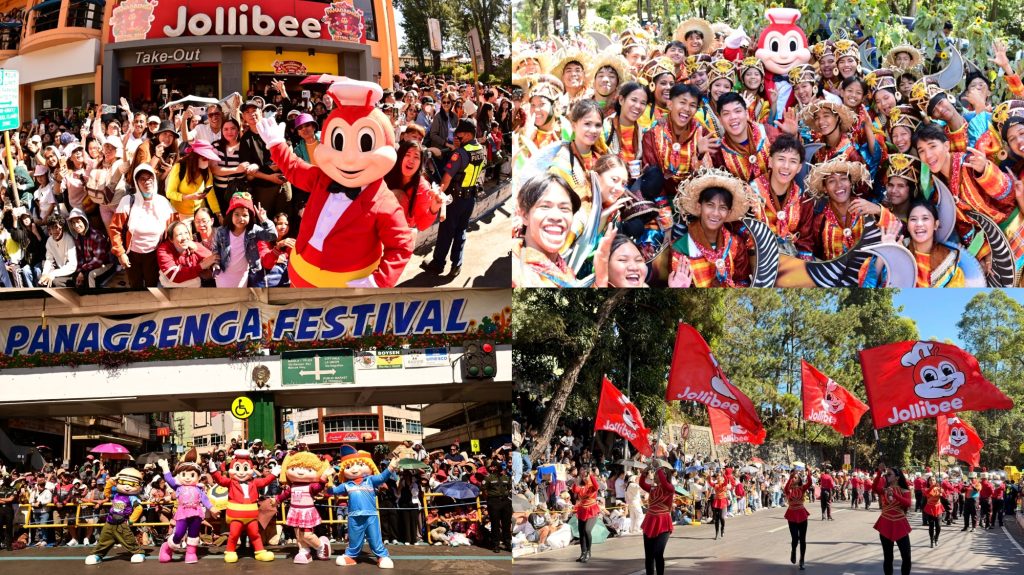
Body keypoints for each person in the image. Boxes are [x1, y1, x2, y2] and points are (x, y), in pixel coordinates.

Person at [420, 119, 486, 277]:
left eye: (459, 134)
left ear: (468, 135)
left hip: (455, 199)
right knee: (461, 231)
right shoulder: (479, 148)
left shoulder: (459, 154)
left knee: (446, 231)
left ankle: (438, 264)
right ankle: (457, 264)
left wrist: (438, 194)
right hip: (470, 198)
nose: (456, 136)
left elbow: (447, 178)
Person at [669, 167, 755, 287]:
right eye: (710, 205)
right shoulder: (681, 248)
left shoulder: (736, 244)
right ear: (699, 207)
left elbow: (743, 280)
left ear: (729, 212)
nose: (715, 213)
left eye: (722, 208)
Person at [107, 164, 176, 289]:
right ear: (136, 182)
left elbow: (175, 227)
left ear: (154, 179)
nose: (147, 182)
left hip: (155, 254)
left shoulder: (163, 202)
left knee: (152, 286)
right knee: (135, 286)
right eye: (142, 179)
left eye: (150, 178)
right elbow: (115, 229)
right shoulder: (128, 201)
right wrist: (121, 253)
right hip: (132, 255)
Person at [511, 172, 580, 287]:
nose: (556, 216)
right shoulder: (515, 275)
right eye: (545, 206)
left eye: (564, 208)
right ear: (525, 216)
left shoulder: (566, 272)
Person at [211, 191, 278, 288]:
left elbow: (272, 236)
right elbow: (215, 250)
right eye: (237, 214)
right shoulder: (221, 231)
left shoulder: (254, 230)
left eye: (245, 215)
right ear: (231, 215)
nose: (241, 218)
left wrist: (264, 220)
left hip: (242, 275)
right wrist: (215, 264)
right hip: (223, 273)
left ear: (250, 217)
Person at [383, 140, 446, 231]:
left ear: (420, 163)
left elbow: (421, 225)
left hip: (401, 232)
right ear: (400, 157)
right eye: (407, 154)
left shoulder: (423, 188)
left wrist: (433, 209)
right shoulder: (387, 173)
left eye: (416, 157)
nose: (411, 161)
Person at [164, 140, 222, 221]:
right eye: (204, 158)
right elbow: (170, 193)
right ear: (195, 157)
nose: (207, 161)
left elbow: (210, 194)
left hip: (198, 214)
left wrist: (218, 214)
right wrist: (189, 197)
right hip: (179, 215)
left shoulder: (206, 171)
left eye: (208, 158)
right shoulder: (180, 167)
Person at [873, 465, 912, 575]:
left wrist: (894, 494)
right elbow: (874, 487)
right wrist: (879, 473)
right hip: (885, 524)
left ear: (897, 477)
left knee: (906, 556)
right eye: (886, 474)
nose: (887, 476)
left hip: (900, 525)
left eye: (889, 474)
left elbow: (908, 503)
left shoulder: (904, 490)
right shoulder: (884, 490)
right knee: (888, 557)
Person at [156, 220, 217, 287]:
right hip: (169, 287)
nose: (184, 237)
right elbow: (174, 275)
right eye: (179, 234)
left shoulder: (194, 246)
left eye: (186, 233)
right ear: (171, 239)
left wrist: (197, 249)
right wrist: (201, 266)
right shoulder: (164, 250)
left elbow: (212, 258)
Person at [66, 209, 115, 288]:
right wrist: (79, 272)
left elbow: (98, 260)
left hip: (106, 265)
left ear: (84, 221)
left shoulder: (96, 236)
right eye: (73, 223)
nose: (76, 225)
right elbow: (80, 258)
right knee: (75, 277)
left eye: (78, 222)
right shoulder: (77, 238)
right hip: (89, 266)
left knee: (90, 275)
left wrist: (83, 271)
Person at [639, 464, 673, 575]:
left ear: (665, 476)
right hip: (650, 522)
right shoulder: (653, 488)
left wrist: (658, 468)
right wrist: (644, 474)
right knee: (649, 556)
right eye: (657, 473)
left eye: (660, 473)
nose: (657, 475)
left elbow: (664, 483)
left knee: (658, 553)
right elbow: (642, 484)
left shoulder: (670, 488)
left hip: (663, 523)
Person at [784, 469, 813, 570]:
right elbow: (786, 488)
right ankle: (793, 551)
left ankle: (802, 560)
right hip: (792, 515)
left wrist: (809, 473)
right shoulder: (788, 490)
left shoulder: (802, 488)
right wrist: (790, 477)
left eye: (796, 477)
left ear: (799, 480)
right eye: (793, 477)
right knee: (795, 539)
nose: (794, 479)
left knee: (803, 539)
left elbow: (809, 483)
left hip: (802, 515)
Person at [481, 460, 512, 553]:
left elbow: (509, 488)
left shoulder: (506, 477)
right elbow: (484, 490)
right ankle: (496, 544)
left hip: (505, 501)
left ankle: (507, 543)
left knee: (506, 524)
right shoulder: (488, 478)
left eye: (494, 466)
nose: (492, 467)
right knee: (495, 524)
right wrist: (489, 500)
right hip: (494, 501)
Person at [38, 214, 77, 287]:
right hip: (58, 271)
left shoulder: (69, 239)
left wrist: (53, 274)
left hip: (70, 273)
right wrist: (45, 274)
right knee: (41, 279)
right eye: (53, 228)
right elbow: (49, 260)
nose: (56, 231)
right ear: (49, 229)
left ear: (62, 227)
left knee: (55, 282)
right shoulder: (49, 241)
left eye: (58, 227)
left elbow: (72, 265)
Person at [571, 467, 600, 563]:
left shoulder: (592, 486)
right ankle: (583, 553)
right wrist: (576, 482)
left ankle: (588, 551)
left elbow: (596, 485)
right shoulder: (582, 487)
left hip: (592, 510)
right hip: (582, 510)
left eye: (586, 476)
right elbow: (575, 490)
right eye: (583, 476)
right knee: (581, 532)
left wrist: (590, 474)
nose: (584, 478)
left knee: (587, 530)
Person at [922, 474, 945, 547]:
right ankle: (931, 540)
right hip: (930, 509)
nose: (932, 481)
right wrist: (933, 487)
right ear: (928, 482)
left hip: (938, 508)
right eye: (930, 480)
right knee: (931, 526)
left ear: (936, 481)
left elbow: (945, 495)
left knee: (938, 526)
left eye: (933, 480)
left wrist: (942, 493)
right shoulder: (925, 489)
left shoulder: (939, 488)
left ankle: (936, 538)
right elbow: (928, 493)